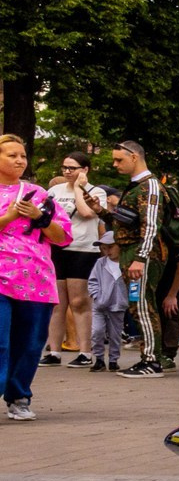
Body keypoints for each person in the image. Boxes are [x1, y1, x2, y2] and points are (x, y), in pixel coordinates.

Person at [0, 135, 69, 418]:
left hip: (36, 280)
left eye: (23, 156)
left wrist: (40, 217)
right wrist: (12, 214)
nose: (19, 160)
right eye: (12, 155)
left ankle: (18, 397)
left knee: (30, 342)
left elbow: (62, 236)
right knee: (1, 341)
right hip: (1, 278)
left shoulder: (39, 193)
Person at [102, 140, 179, 377]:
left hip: (142, 254)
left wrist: (140, 258)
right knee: (138, 305)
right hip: (133, 252)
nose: (115, 164)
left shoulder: (150, 186)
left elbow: (150, 226)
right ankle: (148, 358)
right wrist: (100, 211)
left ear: (134, 157)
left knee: (144, 306)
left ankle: (152, 361)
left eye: (119, 160)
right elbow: (127, 222)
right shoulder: (137, 186)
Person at [46, 151, 107, 368]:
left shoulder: (96, 191)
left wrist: (80, 189)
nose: (67, 172)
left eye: (72, 168)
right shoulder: (54, 191)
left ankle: (85, 352)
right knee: (57, 302)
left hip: (82, 249)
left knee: (79, 301)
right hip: (57, 248)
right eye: (65, 167)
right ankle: (54, 351)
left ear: (85, 170)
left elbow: (87, 213)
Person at [85, 247, 125, 374]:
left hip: (118, 304)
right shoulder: (100, 263)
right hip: (100, 304)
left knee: (115, 334)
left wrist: (127, 299)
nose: (108, 250)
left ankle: (113, 360)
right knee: (97, 331)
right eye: (104, 247)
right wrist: (96, 295)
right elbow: (92, 280)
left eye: (111, 247)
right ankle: (99, 358)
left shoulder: (126, 262)